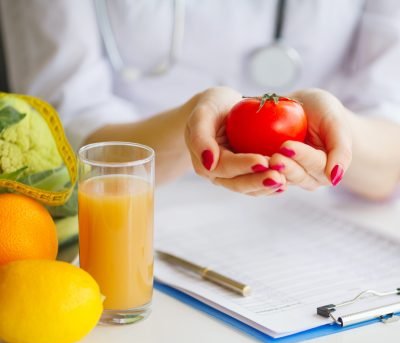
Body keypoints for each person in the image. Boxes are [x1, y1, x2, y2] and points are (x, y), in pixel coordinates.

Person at [0, 0, 399, 200]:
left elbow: (390, 131)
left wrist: (338, 135)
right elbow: (62, 129)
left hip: (327, 230)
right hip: (137, 218)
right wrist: (189, 127)